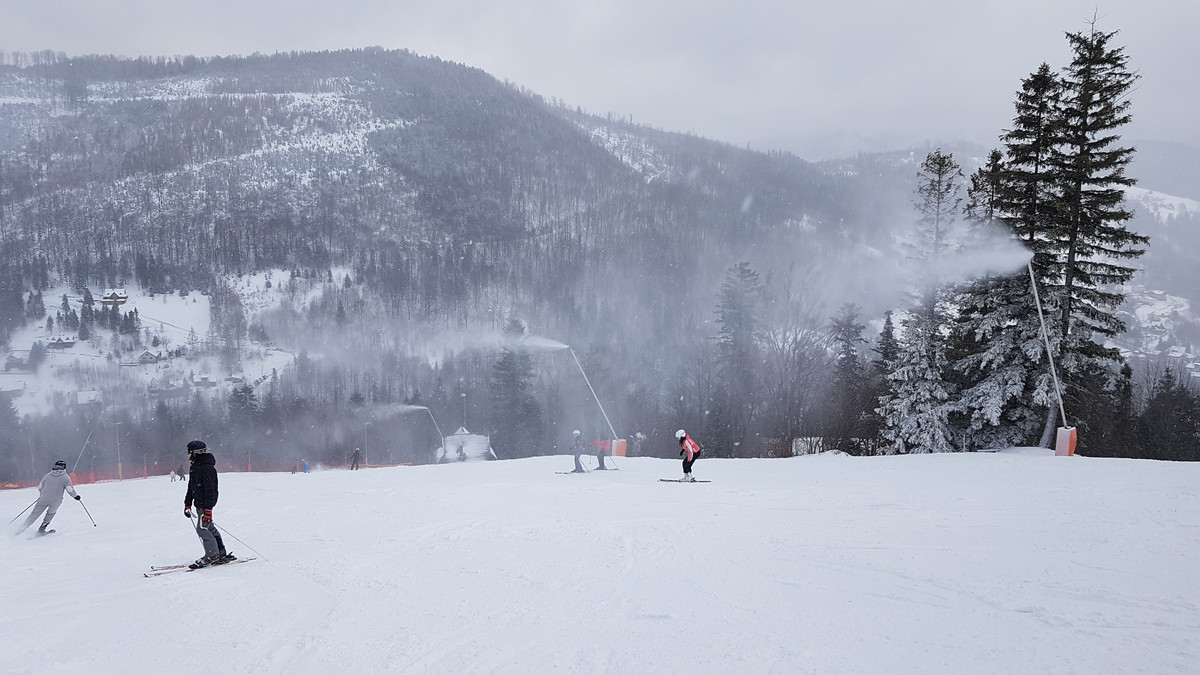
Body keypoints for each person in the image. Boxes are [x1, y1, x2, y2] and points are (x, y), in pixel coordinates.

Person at [183, 440, 235, 568]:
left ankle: (212, 555)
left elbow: (210, 490)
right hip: (199, 503)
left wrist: (208, 510)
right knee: (208, 527)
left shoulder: (207, 468)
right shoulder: (195, 466)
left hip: (205, 504)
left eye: (189, 452)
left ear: (195, 452)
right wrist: (187, 503)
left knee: (202, 529)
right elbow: (191, 486)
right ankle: (220, 552)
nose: (188, 454)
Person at [16, 460, 81, 535]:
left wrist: (43, 494)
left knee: (34, 514)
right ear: (64, 467)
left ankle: (21, 529)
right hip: (55, 501)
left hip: (43, 499)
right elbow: (69, 489)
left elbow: (40, 487)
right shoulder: (65, 477)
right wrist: (75, 496)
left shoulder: (47, 475)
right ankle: (42, 528)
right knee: (50, 513)